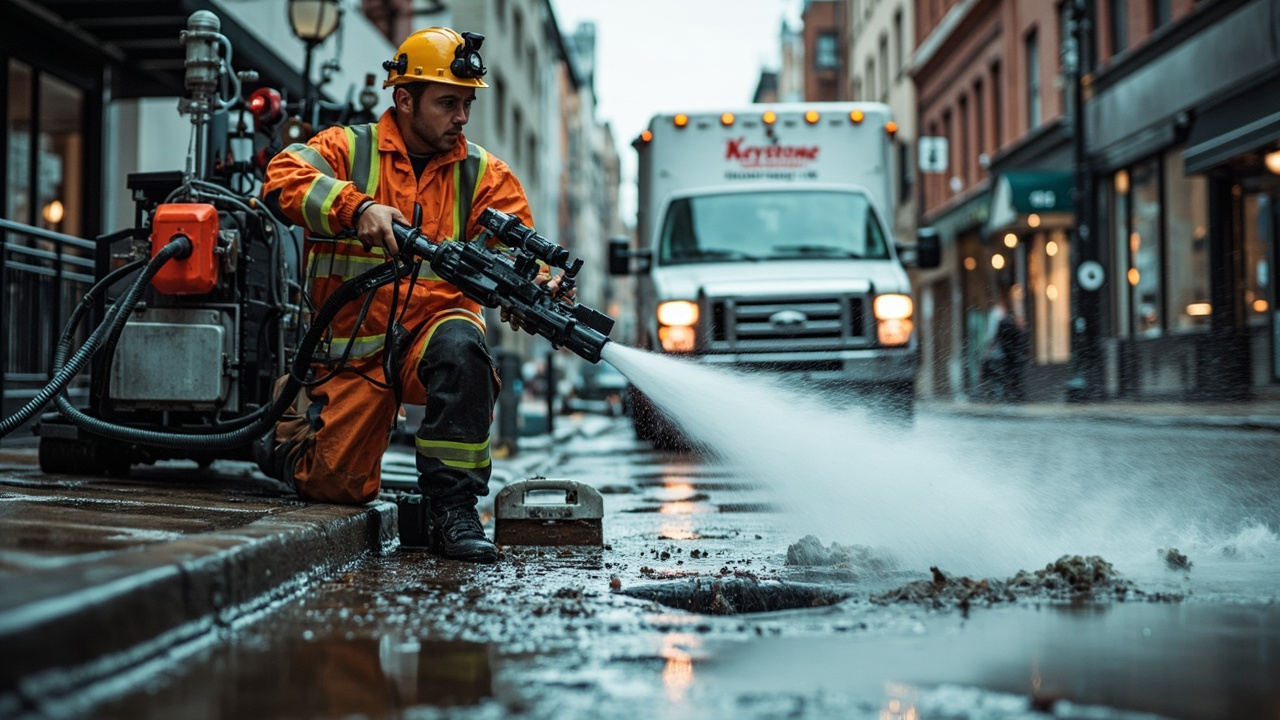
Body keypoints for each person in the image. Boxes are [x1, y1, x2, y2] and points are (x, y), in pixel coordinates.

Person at [258, 27, 534, 564]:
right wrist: (354, 208)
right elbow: (282, 176)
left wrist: (539, 282)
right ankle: (283, 432)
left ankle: (452, 509)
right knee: (336, 486)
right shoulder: (347, 148)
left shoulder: (483, 174)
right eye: (449, 102)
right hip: (350, 352)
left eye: (467, 103)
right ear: (404, 99)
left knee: (463, 347)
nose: (462, 117)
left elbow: (524, 243)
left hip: (432, 334)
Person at [981, 287, 1028, 402]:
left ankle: (1008, 395)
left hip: (1008, 354)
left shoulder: (1003, 321)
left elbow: (997, 336)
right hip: (1009, 355)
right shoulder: (1003, 319)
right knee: (1009, 376)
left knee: (1006, 376)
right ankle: (1010, 395)